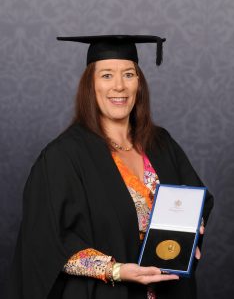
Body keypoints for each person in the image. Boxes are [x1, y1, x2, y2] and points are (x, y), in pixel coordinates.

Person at [7, 35, 213, 299]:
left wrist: (193, 230)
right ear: (90, 85)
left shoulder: (162, 144)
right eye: (106, 75)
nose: (119, 86)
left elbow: (195, 198)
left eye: (129, 74)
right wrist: (116, 271)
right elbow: (46, 242)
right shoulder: (63, 156)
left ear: (139, 83)